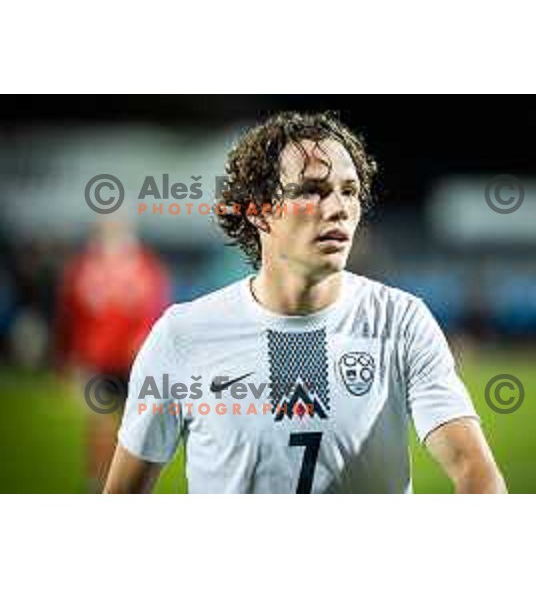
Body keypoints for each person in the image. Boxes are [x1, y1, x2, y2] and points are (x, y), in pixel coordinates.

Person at [104, 111, 506, 493]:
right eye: (312, 191)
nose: (338, 209)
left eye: (349, 191)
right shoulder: (184, 335)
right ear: (259, 211)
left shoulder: (400, 322)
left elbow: (475, 470)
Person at [55, 218, 170, 492]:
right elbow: (71, 314)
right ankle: (100, 484)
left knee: (126, 427)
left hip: (131, 360)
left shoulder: (139, 266)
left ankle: (111, 485)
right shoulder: (88, 267)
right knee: (106, 423)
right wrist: (70, 355)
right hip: (102, 360)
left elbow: (155, 307)